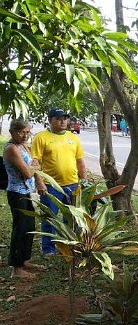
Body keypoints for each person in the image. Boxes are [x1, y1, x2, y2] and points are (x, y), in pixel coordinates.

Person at [31, 107, 88, 257]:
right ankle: (48, 249)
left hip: (72, 184)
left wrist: (84, 181)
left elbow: (80, 161)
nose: (63, 121)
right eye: (59, 118)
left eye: (65, 118)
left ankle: (68, 247)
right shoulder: (41, 137)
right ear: (50, 120)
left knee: (71, 218)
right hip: (51, 186)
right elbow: (35, 162)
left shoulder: (73, 137)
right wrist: (39, 182)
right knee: (49, 218)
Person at [3, 119, 44, 278]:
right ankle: (16, 268)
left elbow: (34, 168)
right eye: (21, 132)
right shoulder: (12, 148)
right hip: (17, 193)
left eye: (27, 132)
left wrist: (39, 180)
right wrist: (34, 168)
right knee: (20, 229)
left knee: (29, 227)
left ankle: (24, 260)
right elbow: (27, 173)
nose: (25, 135)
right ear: (12, 132)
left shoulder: (24, 146)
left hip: (28, 192)